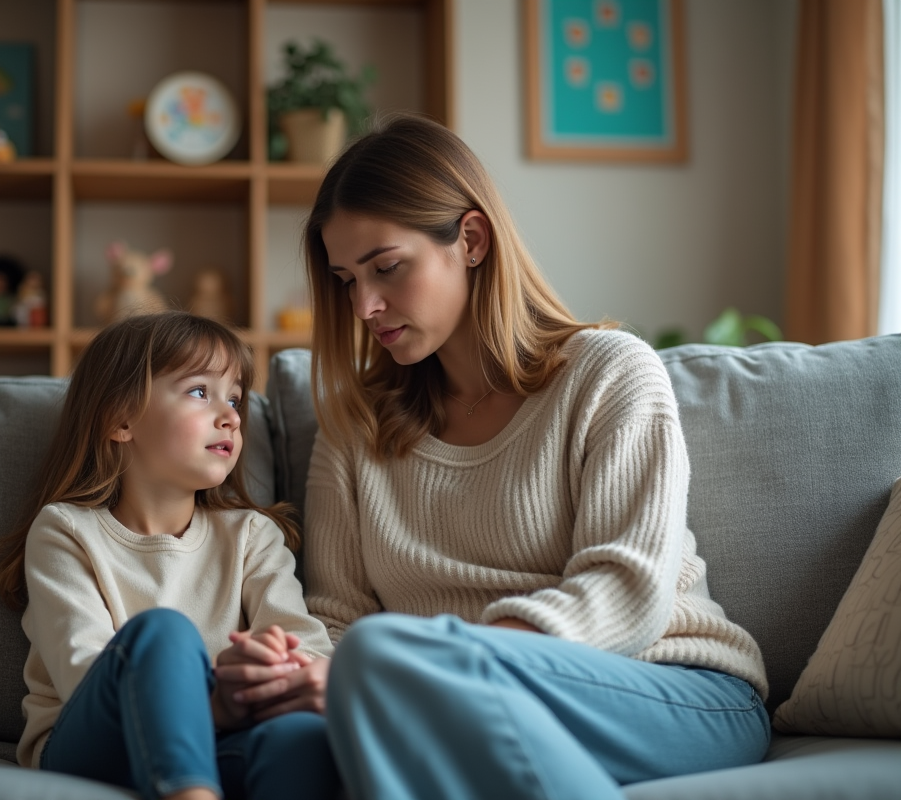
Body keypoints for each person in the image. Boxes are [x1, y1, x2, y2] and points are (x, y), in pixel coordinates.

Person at [278, 112, 771, 799]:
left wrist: (447, 658)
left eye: (387, 267)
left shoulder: (610, 373)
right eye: (344, 279)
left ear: (471, 240)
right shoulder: (356, 425)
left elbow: (627, 591)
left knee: (381, 665)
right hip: (437, 694)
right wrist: (295, 672)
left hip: (668, 688)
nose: (364, 304)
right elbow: (338, 619)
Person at [0, 311, 338, 800]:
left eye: (235, 398)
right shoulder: (65, 530)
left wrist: (270, 669)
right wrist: (216, 698)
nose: (232, 416)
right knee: (163, 630)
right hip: (92, 746)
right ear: (121, 419)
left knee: (299, 738)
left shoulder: (253, 536)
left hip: (221, 740)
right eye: (201, 391)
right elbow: (84, 676)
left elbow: (310, 650)